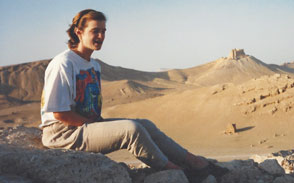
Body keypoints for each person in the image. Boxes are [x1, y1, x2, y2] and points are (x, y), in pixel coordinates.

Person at [40, 9, 209, 171]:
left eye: (103, 31)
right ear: (79, 32)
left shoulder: (94, 65)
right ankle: (174, 170)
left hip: (85, 126)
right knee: (131, 130)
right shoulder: (64, 63)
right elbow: (60, 113)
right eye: (95, 31)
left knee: (145, 125)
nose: (101, 36)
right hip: (63, 133)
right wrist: (95, 126)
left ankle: (191, 160)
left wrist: (97, 125)